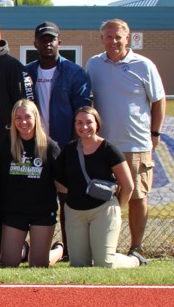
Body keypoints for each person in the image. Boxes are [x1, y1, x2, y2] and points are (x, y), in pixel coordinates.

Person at [86, 18, 165, 260]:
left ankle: (136, 247)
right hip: (103, 146)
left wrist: (155, 133)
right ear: (102, 39)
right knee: (104, 197)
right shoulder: (93, 64)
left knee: (137, 196)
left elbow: (159, 100)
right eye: (108, 37)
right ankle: (107, 247)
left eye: (118, 36)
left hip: (136, 144)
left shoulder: (144, 65)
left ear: (127, 38)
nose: (113, 41)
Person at [25, 21, 91, 260]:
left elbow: (82, 112)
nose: (48, 43)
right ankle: (32, 248)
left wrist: (75, 148)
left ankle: (70, 249)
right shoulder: (26, 73)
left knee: (67, 202)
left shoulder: (75, 73)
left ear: (59, 43)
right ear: (35, 44)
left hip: (64, 148)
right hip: (34, 150)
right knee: (34, 200)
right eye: (43, 39)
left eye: (52, 39)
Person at [53, 107, 145, 267]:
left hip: (103, 210)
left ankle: (135, 259)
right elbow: (58, 177)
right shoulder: (69, 149)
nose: (84, 127)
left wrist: (115, 209)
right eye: (79, 123)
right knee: (79, 265)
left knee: (105, 263)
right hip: (75, 213)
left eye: (89, 122)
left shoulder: (108, 149)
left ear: (97, 124)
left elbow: (128, 185)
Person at [0, 99, 64, 267]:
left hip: (42, 212)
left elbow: (61, 183)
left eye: (27, 117)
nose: (23, 122)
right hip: (14, 211)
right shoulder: (5, 145)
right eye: (18, 118)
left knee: (38, 265)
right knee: (8, 264)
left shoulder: (50, 147)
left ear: (36, 118)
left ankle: (59, 250)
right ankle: (23, 248)